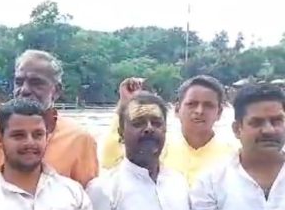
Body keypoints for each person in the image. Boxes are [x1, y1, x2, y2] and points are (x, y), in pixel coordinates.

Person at [0, 49, 99, 187]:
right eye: (19, 82)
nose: (24, 90)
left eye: (36, 83)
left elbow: (88, 195)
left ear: (56, 90)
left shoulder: (79, 139)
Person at [100, 76, 237, 185]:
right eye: (192, 104)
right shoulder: (156, 146)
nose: (199, 111)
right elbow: (110, 161)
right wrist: (125, 104)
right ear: (177, 110)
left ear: (219, 112)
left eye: (208, 105)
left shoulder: (234, 156)